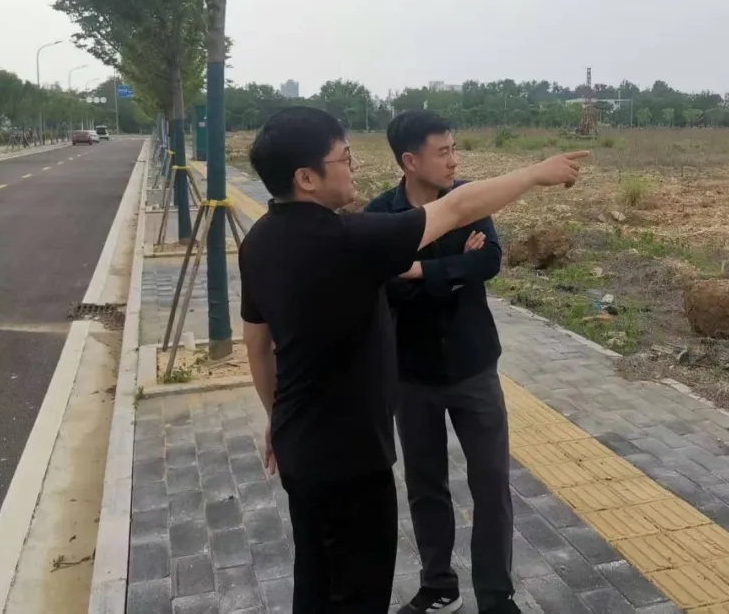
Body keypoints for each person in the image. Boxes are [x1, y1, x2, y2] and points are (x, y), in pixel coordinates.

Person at [238, 106, 587, 614]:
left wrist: (276, 415)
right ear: (306, 177)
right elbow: (457, 208)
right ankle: (438, 584)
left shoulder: (257, 242)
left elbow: (256, 345)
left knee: (315, 576)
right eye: (344, 158)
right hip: (353, 455)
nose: (353, 167)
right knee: (360, 588)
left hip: (300, 445)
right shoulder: (353, 239)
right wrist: (535, 173)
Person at [364, 111, 514, 614]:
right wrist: (453, 272)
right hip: (412, 374)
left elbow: (488, 260)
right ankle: (438, 585)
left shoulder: (469, 201)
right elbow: (384, 286)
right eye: (443, 152)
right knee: (425, 485)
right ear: (410, 161)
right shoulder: (381, 216)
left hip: (474, 366)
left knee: (491, 485)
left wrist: (417, 270)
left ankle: (496, 596)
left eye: (454, 149)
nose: (454, 160)